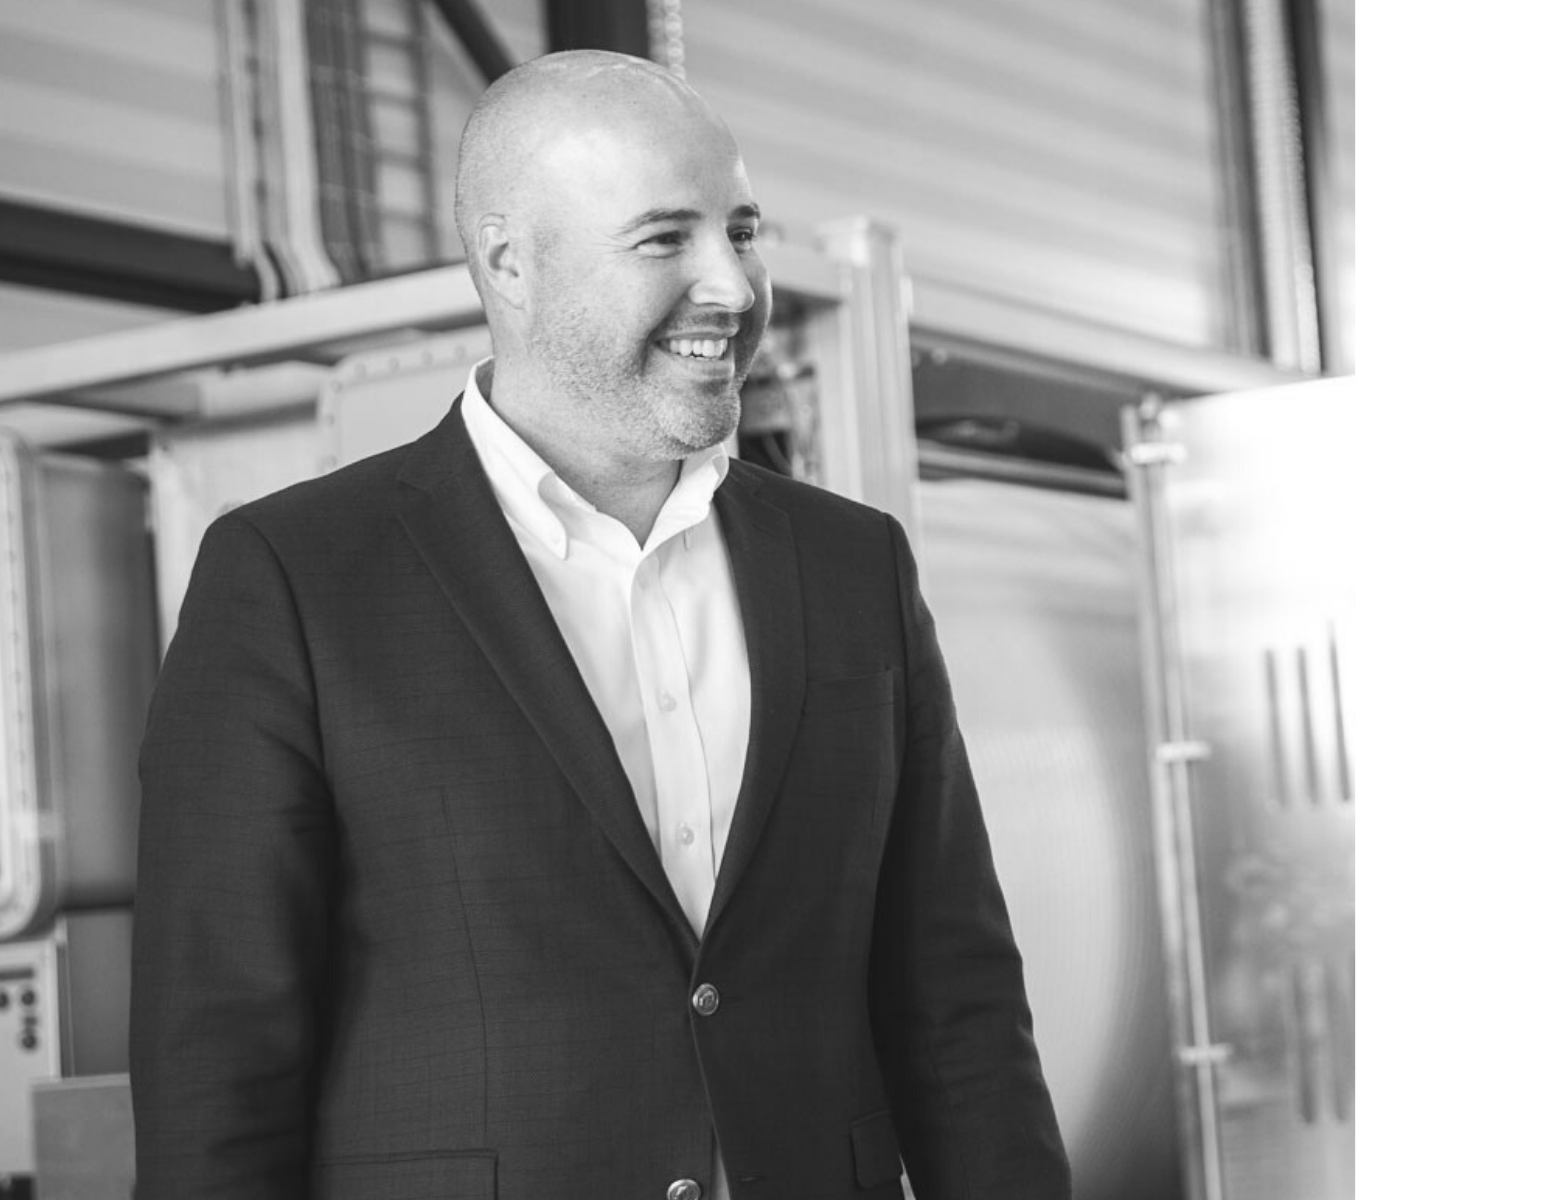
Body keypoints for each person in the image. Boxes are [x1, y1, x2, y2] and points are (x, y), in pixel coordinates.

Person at [131, 49, 1070, 1200]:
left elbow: (957, 1001)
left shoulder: (850, 565)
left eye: (742, 230)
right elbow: (218, 1059)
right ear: (509, 262)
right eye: (665, 238)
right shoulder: (295, 577)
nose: (732, 287)